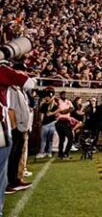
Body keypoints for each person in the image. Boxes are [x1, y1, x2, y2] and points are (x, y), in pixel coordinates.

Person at [0, 61, 34, 211]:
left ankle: (14, 180)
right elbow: (30, 82)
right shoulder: (6, 76)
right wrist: (15, 129)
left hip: (12, 127)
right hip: (5, 128)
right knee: (3, 168)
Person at [36, 88, 58, 158]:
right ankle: (49, 152)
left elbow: (41, 116)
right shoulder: (55, 104)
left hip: (46, 124)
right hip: (53, 123)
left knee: (44, 140)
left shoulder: (44, 105)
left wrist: (40, 122)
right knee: (50, 140)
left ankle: (42, 152)